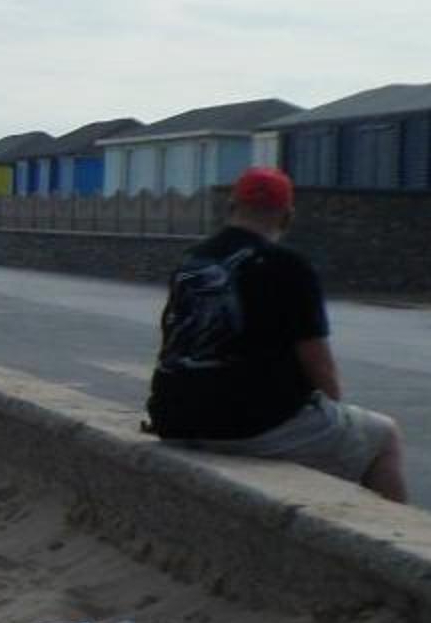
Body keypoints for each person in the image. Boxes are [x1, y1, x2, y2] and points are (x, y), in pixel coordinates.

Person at [145, 166, 408, 501]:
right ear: (287, 216)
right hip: (250, 425)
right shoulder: (288, 265)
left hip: (173, 417)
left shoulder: (192, 261)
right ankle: (385, 529)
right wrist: (334, 411)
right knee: (383, 436)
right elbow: (318, 363)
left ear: (231, 207)